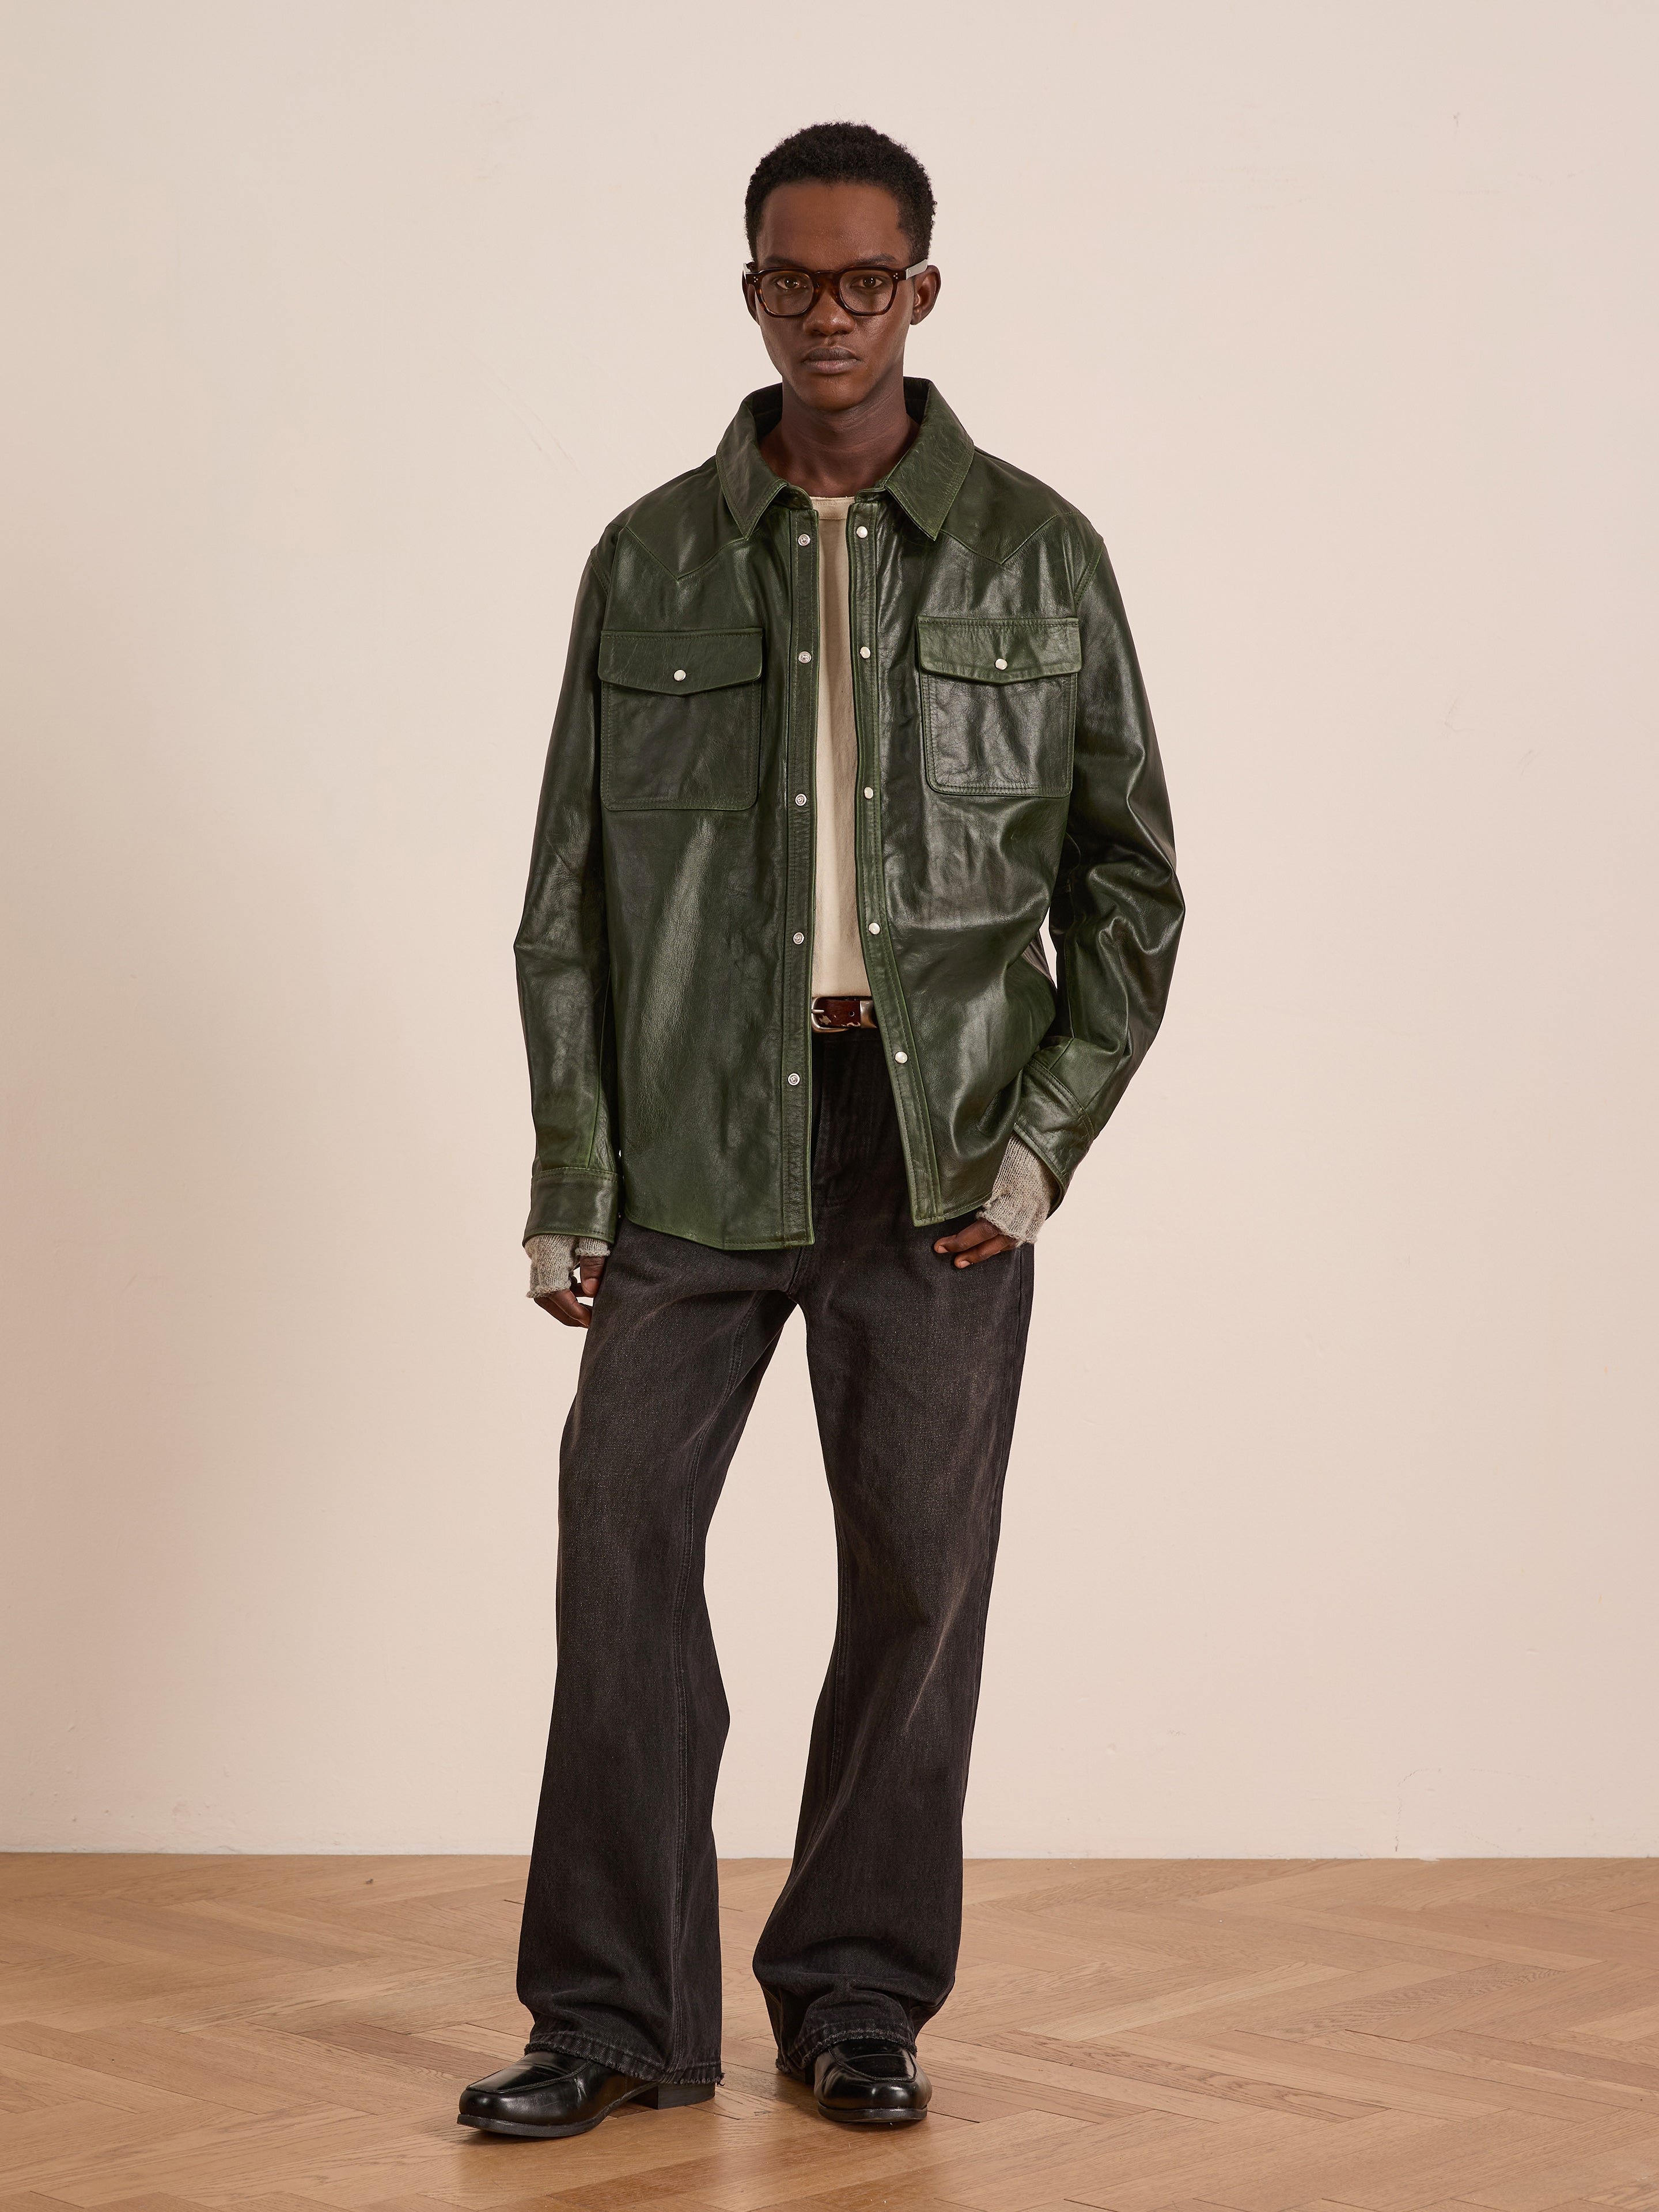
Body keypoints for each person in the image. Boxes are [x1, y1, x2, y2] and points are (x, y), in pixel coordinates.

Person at [458, 119, 1183, 2143]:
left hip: (938, 1157)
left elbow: (1132, 884)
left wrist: (1042, 1140)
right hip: (689, 1137)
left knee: (918, 1584)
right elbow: (567, 897)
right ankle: (606, 2015)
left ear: (924, 295)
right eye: (795, 280)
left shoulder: (1041, 554)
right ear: (752, 291)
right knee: (619, 1562)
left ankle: (859, 1997)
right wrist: (565, 1178)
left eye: (868, 281)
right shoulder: (651, 555)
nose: (830, 314)